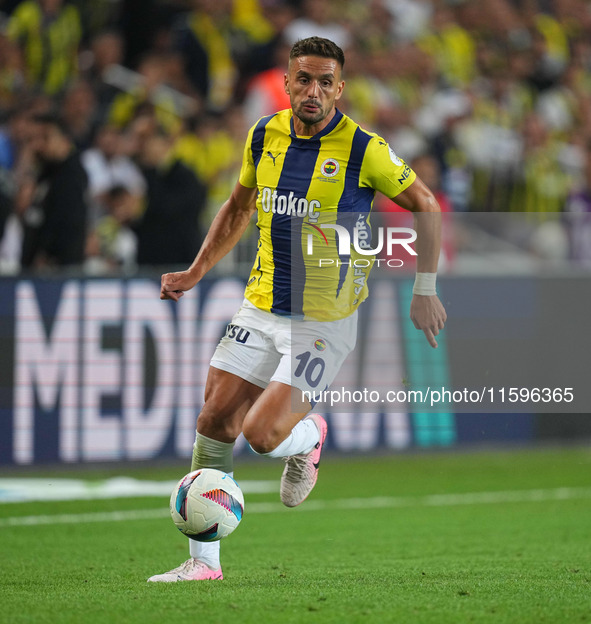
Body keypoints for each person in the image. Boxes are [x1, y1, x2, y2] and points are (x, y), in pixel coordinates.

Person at [149, 36, 446, 583]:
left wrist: (423, 287)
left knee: (261, 435)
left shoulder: (365, 149)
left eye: (326, 81)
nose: (314, 91)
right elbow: (239, 205)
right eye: (304, 79)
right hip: (260, 307)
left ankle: (309, 439)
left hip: (321, 322)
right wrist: (195, 271)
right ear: (286, 82)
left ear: (340, 88)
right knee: (214, 419)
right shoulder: (264, 133)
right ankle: (202, 564)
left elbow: (425, 204)